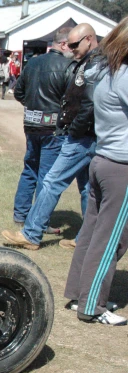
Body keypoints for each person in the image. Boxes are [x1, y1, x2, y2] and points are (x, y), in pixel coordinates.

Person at [2, 23, 103, 250]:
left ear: (89, 39)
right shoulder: (85, 62)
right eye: (69, 44)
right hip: (81, 133)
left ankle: (32, 233)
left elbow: (90, 103)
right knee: (87, 188)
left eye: (75, 44)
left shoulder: (95, 64)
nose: (72, 48)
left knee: (51, 181)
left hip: (81, 135)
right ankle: (84, 240)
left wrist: (74, 128)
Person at [63, 15, 128, 326]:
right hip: (121, 168)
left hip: (102, 161)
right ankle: (92, 305)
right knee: (111, 239)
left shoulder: (107, 74)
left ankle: (79, 291)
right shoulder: (124, 77)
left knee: (90, 233)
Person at [8, 29, 73, 231]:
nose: (74, 50)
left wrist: (34, 106)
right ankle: (38, 222)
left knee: (29, 170)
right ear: (63, 44)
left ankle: (21, 215)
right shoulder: (68, 66)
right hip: (53, 128)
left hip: (32, 124)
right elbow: (73, 99)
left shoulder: (33, 63)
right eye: (72, 45)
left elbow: (18, 92)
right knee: (47, 176)